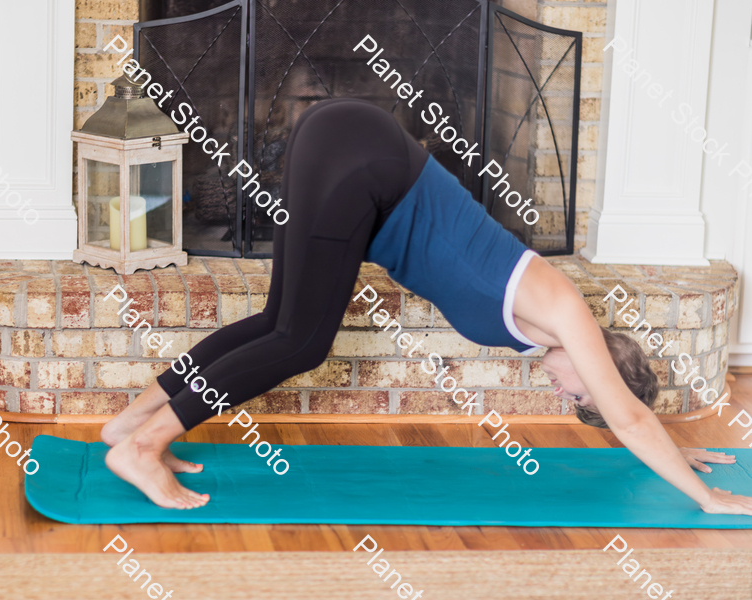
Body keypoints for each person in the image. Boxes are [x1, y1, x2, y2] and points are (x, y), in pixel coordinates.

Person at [102, 98, 748, 514]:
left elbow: (632, 418)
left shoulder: (545, 328)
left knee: (281, 325)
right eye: (582, 398)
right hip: (362, 155)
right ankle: (146, 446)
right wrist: (704, 497)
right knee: (302, 341)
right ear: (603, 374)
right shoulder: (564, 307)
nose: (565, 396)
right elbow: (629, 415)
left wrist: (668, 449)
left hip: (350, 148)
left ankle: (131, 424)